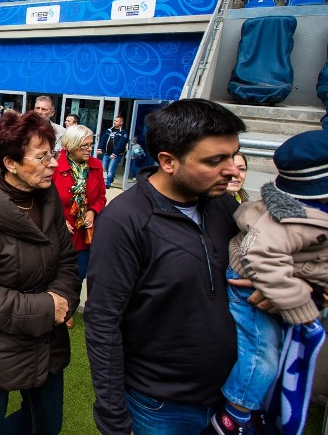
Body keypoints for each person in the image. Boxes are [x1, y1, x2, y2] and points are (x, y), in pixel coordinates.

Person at [85, 99, 246, 435]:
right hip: (159, 407)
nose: (232, 170)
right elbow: (103, 323)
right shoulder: (124, 221)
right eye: (215, 160)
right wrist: (114, 419)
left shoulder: (225, 207)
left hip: (228, 397)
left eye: (233, 155)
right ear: (168, 162)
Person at [0, 110, 80, 434]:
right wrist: (49, 308)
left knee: (47, 425)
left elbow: (67, 262)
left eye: (53, 154)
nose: (53, 164)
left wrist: (62, 299)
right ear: (10, 163)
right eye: (41, 157)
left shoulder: (47, 198)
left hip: (47, 344)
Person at [210, 130, 328, 434]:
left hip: (277, 284)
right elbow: (258, 256)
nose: (234, 172)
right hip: (249, 282)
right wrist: (300, 304)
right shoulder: (289, 217)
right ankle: (234, 415)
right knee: (263, 355)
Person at [54, 124, 106, 329]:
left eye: (90, 145)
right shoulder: (54, 166)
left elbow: (101, 196)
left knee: (79, 275)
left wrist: (93, 211)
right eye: (84, 146)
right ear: (70, 146)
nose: (89, 149)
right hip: (58, 233)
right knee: (54, 271)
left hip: (84, 236)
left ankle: (69, 309)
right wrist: (58, 219)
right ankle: (53, 305)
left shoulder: (96, 166)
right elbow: (44, 199)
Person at [96, 115, 129, 188]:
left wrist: (114, 153)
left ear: (121, 123)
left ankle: (107, 183)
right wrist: (99, 148)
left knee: (111, 169)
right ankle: (105, 180)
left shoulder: (123, 132)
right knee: (104, 168)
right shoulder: (109, 130)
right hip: (107, 153)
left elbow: (121, 144)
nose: (114, 122)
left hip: (116, 155)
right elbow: (103, 139)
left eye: (116, 121)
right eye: (114, 121)